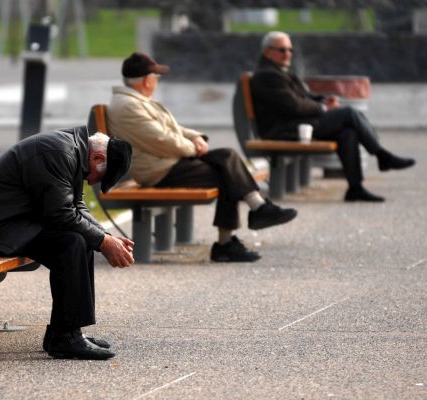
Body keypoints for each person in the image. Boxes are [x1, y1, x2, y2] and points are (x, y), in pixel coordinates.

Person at [0, 127, 133, 360]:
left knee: (81, 239)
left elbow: (75, 206)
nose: (92, 182)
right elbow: (60, 214)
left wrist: (104, 235)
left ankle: (68, 332)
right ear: (98, 158)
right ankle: (65, 337)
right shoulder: (57, 153)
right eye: (100, 177)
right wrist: (103, 241)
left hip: (12, 224)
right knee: (71, 243)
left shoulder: (72, 151)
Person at [106, 51, 298, 263]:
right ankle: (235, 233)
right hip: (158, 171)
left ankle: (255, 213)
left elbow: (173, 130)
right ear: (145, 80)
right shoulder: (128, 106)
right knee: (227, 173)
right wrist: (193, 148)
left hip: (167, 162)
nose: (157, 81)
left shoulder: (135, 101)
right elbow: (160, 139)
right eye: (155, 77)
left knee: (227, 158)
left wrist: (196, 137)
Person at [251, 31, 416, 202]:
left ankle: (355, 188)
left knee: (347, 132)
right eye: (282, 50)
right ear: (267, 52)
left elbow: (304, 97)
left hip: (297, 124)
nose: (287, 54)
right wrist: (323, 108)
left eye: (290, 50)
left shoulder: (278, 72)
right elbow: (292, 105)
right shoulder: (267, 75)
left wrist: (323, 100)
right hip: (284, 129)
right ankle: (382, 155)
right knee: (349, 113)